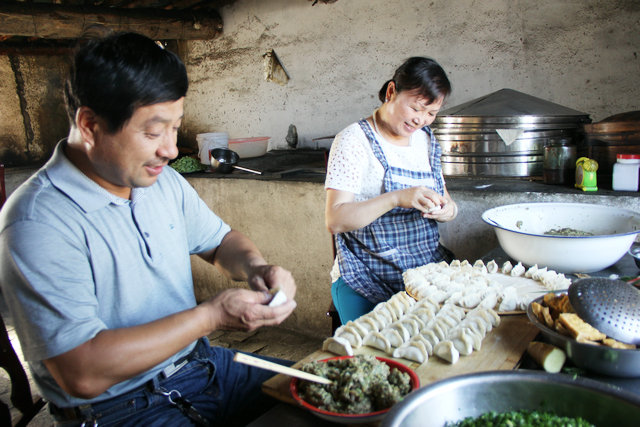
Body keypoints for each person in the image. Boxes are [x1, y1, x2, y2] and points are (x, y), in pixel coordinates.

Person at [0, 32, 297, 427]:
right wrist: (210, 317)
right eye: (154, 132)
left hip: (203, 365)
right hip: (119, 408)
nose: (170, 150)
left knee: (333, 393)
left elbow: (220, 242)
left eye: (175, 128)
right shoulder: (37, 221)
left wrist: (256, 267)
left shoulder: (162, 181)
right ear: (89, 124)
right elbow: (81, 372)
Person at [325, 57, 457, 324]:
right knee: (374, 346)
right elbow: (335, 219)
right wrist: (397, 198)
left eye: (431, 113)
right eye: (416, 108)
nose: (421, 120)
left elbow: (446, 199)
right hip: (365, 274)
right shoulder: (353, 140)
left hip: (423, 274)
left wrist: (448, 210)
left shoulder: (427, 141)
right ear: (391, 92)